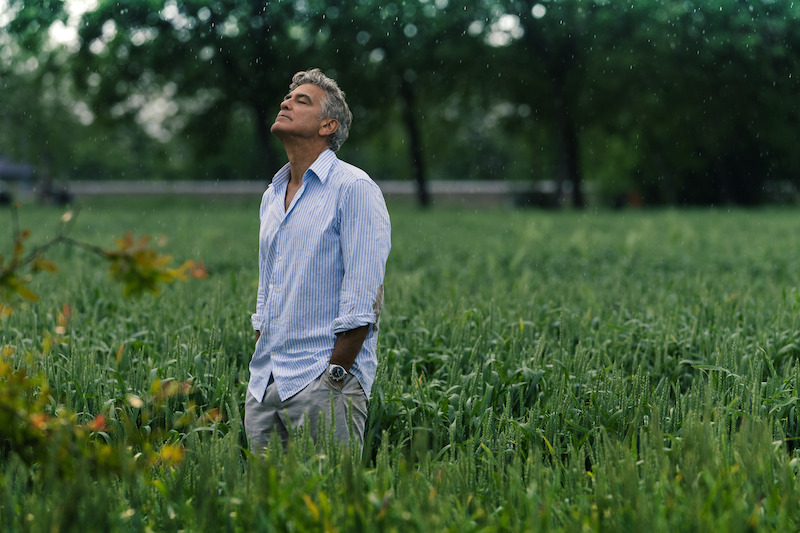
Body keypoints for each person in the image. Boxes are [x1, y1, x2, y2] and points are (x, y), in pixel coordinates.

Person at [244, 68, 391, 453]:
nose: (285, 103)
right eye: (287, 98)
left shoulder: (354, 188)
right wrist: (262, 359)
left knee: (330, 506)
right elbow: (268, 287)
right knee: (266, 509)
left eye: (301, 100)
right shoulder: (272, 196)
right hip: (266, 385)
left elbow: (363, 297)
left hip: (323, 384)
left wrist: (335, 377)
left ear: (328, 125)